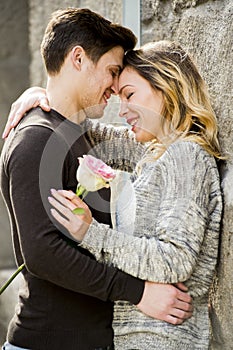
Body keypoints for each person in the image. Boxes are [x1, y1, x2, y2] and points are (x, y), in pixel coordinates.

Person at [0, 9, 193, 350]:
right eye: (112, 71)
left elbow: (152, 143)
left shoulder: (75, 132)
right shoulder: (35, 139)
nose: (115, 89)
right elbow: (44, 253)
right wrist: (139, 292)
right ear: (78, 58)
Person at [29, 40, 223, 349]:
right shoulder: (157, 153)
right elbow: (92, 131)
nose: (122, 110)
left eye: (130, 95)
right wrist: (42, 96)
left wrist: (92, 234)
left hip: (164, 340)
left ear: (167, 86)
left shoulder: (186, 157)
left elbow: (175, 259)